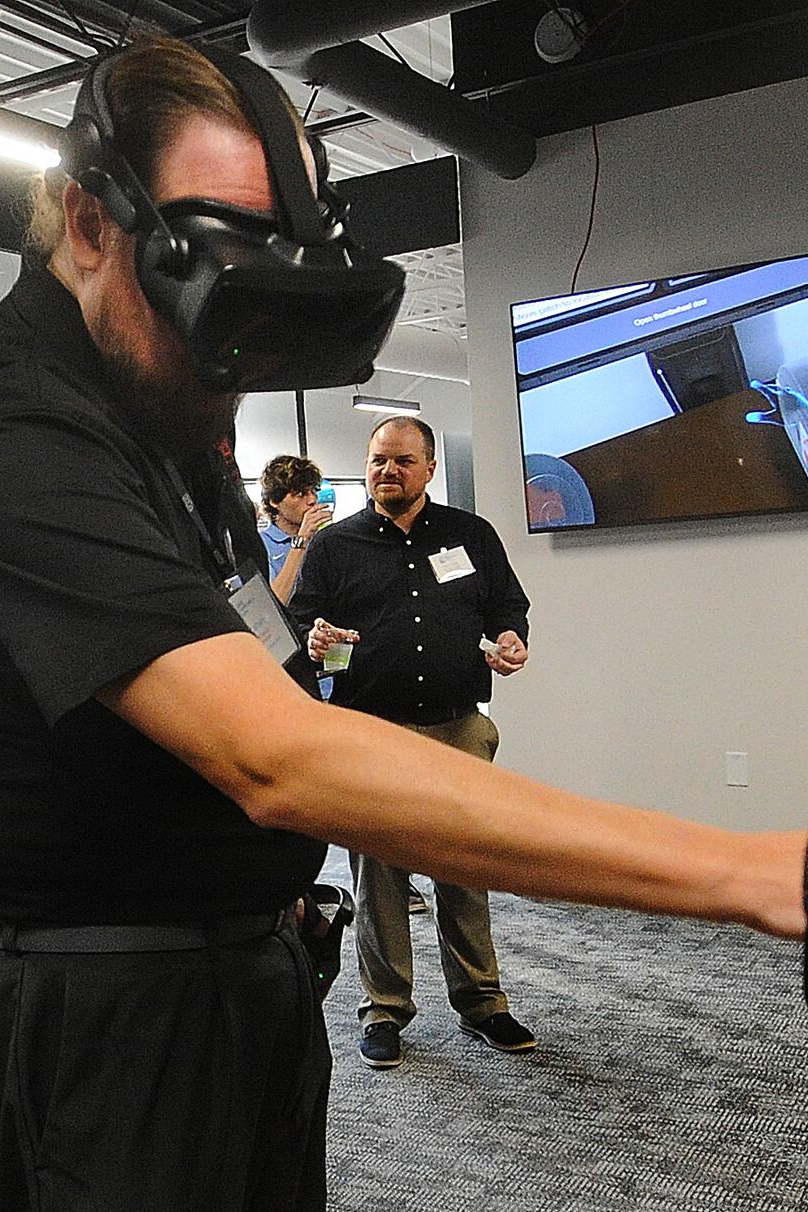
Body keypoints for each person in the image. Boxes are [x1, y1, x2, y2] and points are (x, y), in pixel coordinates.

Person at [0, 34, 808, 1212]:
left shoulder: (165, 405)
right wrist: (754, 869)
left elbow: (257, 656)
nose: (230, 361)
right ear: (90, 223)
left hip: (236, 963)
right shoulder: (8, 433)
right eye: (202, 285)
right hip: (93, 996)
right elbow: (270, 753)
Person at [289, 416, 535, 1069]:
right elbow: (300, 625)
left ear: (428, 468)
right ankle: (384, 1011)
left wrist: (511, 638)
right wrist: (316, 641)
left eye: (401, 461)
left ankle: (483, 1004)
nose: (385, 472)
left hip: (458, 725)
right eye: (376, 461)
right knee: (382, 880)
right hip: (373, 731)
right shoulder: (335, 547)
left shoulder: (470, 535)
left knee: (463, 869)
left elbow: (508, 605)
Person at [259, 453, 333, 604]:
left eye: (313, 491)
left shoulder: (323, 541)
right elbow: (273, 605)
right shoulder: (261, 544)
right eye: (300, 494)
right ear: (274, 501)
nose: (312, 500)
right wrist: (301, 541)